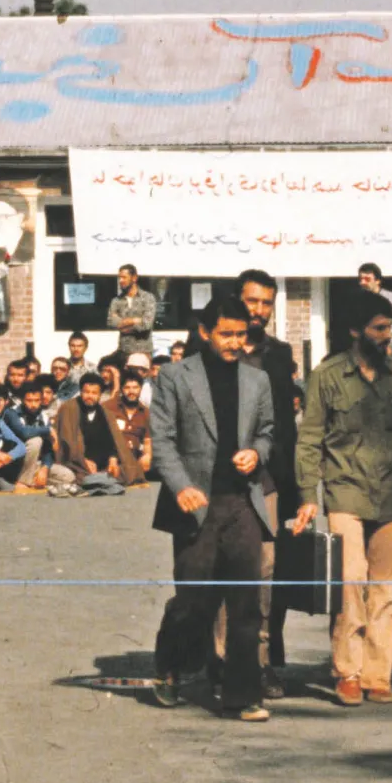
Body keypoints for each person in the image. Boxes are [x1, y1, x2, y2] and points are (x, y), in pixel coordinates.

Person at [293, 291, 392, 707]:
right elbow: (311, 437)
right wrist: (307, 495)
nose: (388, 336)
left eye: (390, 328)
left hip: (389, 492)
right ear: (356, 331)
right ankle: (347, 672)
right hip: (344, 490)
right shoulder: (328, 375)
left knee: (383, 588)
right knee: (350, 583)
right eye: (380, 328)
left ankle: (377, 673)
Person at [149, 296, 274, 721]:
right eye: (227, 334)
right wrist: (181, 486)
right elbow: (162, 440)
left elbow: (268, 432)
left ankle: (243, 694)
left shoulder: (257, 380)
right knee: (194, 600)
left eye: (242, 335)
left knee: (246, 602)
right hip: (195, 503)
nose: (236, 343)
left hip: (242, 502)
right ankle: (168, 666)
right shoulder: (175, 377)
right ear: (205, 332)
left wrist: (257, 453)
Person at [205, 270, 298, 699]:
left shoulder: (279, 355)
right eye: (252, 301)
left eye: (266, 303)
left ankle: (260, 664)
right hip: (217, 481)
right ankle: (222, 660)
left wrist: (293, 486)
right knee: (222, 573)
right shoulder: (212, 349)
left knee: (264, 576)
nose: (259, 311)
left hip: (265, 481)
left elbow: (285, 427)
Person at [49, 373, 142, 495]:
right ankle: (95, 480)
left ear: (100, 395)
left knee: (127, 470)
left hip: (102, 463)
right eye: (86, 392)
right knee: (72, 476)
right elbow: (68, 441)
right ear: (81, 392)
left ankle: (98, 479)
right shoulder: (70, 408)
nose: (90, 396)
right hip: (76, 462)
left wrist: (113, 459)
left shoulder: (105, 413)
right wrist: (84, 460)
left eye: (94, 393)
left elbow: (113, 440)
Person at [5, 380, 54, 491]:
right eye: (29, 400)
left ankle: (35, 478)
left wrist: (45, 469)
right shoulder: (11, 413)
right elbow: (24, 432)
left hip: (35, 463)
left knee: (67, 476)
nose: (33, 405)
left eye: (37, 400)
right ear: (22, 400)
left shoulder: (44, 416)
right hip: (13, 463)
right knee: (35, 441)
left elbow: (48, 448)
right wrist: (48, 429)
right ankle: (23, 481)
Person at [104, 369, 151, 481]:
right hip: (110, 457)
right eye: (127, 388)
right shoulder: (108, 407)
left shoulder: (145, 413)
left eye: (135, 388)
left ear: (140, 389)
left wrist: (147, 456)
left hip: (133, 459)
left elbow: (147, 441)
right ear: (121, 389)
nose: (131, 391)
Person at [107, 263, 157, 357]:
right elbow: (111, 322)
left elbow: (146, 325)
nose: (120, 281)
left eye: (124, 277)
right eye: (119, 278)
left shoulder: (148, 298)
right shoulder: (116, 300)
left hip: (143, 352)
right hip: (123, 351)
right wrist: (135, 320)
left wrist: (123, 324)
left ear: (134, 278)